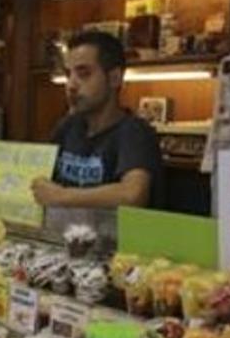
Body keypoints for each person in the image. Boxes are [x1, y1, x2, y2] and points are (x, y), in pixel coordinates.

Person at [31, 31, 163, 210]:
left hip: (112, 237)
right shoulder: (68, 126)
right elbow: (38, 175)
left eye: (84, 74)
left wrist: (62, 196)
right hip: (66, 234)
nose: (71, 85)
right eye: (68, 74)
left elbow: (133, 195)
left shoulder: (134, 132)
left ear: (114, 78)